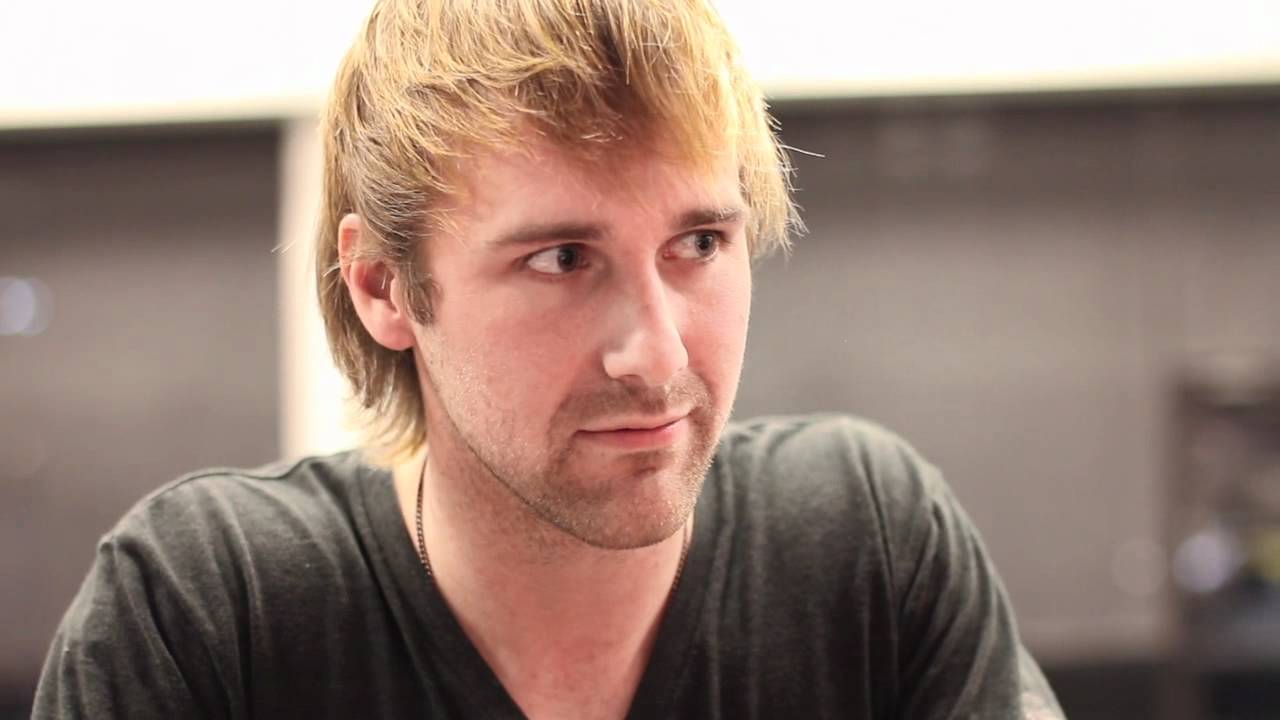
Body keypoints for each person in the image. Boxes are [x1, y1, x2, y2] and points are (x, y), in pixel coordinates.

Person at [33, 0, 1065, 717]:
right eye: (562, 259)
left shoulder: (865, 549)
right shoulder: (213, 614)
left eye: (700, 244)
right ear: (383, 286)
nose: (656, 352)